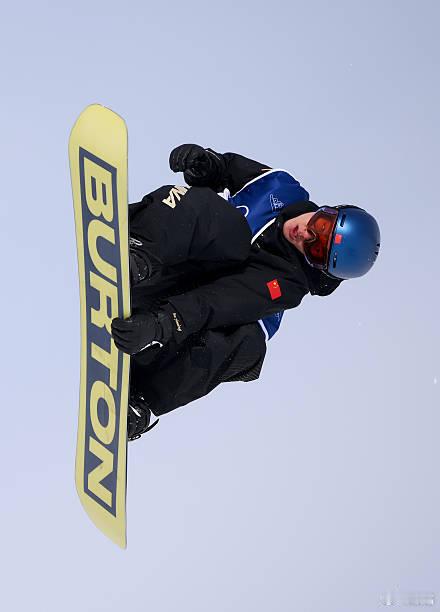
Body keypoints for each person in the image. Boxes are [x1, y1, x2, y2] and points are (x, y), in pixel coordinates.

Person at [111, 145, 381, 441]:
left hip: (166, 318)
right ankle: (136, 254)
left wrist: (160, 323)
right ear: (328, 210)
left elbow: (214, 301)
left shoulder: (286, 283)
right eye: (321, 225)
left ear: (318, 267)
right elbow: (225, 169)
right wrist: (204, 164)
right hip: (156, 258)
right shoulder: (280, 187)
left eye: (315, 249)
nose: (305, 234)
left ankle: (141, 398)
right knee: (224, 223)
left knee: (250, 343)